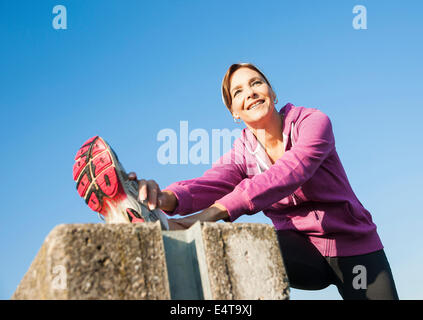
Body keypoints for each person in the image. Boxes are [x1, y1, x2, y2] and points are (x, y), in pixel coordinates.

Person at [113, 63, 400, 299]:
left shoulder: (313, 122)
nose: (249, 93)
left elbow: (291, 171)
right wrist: (163, 198)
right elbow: (208, 183)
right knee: (243, 247)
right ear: (234, 113)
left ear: (272, 93)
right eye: (238, 92)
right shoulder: (242, 154)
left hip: (358, 251)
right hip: (302, 250)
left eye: (256, 83)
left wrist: (211, 214)